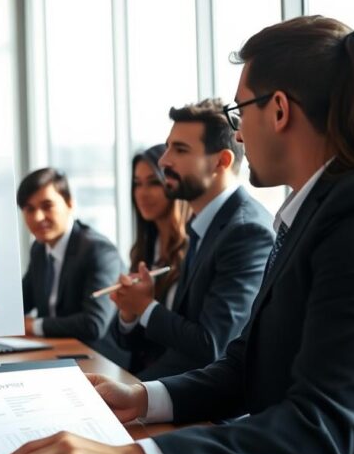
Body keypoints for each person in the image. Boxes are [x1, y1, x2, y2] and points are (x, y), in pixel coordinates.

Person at [0, 14, 354, 454]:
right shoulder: (316, 209)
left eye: (241, 109)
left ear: (279, 109)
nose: (236, 134)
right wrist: (144, 399)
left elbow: (320, 424)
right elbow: (248, 362)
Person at [109, 99, 273, 380]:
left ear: (222, 161)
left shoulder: (245, 232)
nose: (164, 161)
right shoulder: (203, 227)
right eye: (168, 146)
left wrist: (146, 307)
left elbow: (212, 347)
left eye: (180, 150)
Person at [17, 168, 125, 361]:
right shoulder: (39, 249)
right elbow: (20, 303)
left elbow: (93, 324)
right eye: (29, 209)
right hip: (54, 352)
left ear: (69, 203)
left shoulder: (98, 250)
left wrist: (33, 325)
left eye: (47, 206)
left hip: (98, 359)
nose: (37, 217)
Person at [109, 145, 191, 378]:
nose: (142, 193)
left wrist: (143, 305)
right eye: (137, 183)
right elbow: (126, 343)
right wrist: (128, 314)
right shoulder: (144, 248)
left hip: (175, 380)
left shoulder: (193, 249)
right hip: (142, 377)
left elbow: (192, 342)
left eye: (154, 182)